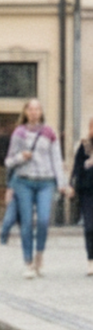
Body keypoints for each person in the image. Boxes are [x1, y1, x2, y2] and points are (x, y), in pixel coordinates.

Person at [6, 99, 72, 278]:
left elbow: (57, 159)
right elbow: (9, 161)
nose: (34, 112)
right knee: (26, 222)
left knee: (43, 220)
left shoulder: (49, 132)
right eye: (31, 109)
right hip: (24, 182)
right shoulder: (19, 132)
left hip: (46, 181)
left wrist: (62, 184)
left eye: (37, 109)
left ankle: (39, 256)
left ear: (41, 112)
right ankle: (28, 263)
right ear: (26, 112)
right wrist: (21, 157)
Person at [72, 117, 93, 277]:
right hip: (88, 192)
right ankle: (90, 260)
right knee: (89, 227)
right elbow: (76, 168)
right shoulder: (84, 146)